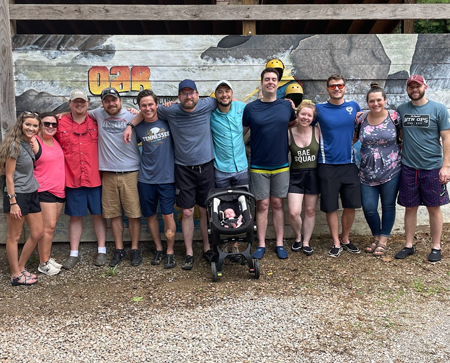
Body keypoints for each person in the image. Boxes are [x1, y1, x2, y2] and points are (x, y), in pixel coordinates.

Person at [395, 75, 450, 262]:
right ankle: (408, 245)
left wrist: (446, 166)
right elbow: (399, 133)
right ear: (407, 89)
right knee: (410, 208)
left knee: (434, 208)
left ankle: (436, 247)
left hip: (433, 167)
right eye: (411, 87)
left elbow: (446, 139)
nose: (414, 90)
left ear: (425, 86)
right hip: (409, 167)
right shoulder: (401, 110)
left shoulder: (439, 109)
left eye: (417, 86)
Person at [243, 67, 297, 260]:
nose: (271, 82)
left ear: (277, 83)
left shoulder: (286, 106)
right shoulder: (251, 108)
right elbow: (243, 134)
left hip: (281, 163)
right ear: (262, 82)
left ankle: (280, 243)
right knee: (262, 204)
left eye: (274, 79)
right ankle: (262, 244)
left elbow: (292, 124)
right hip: (258, 164)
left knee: (277, 203)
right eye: (267, 79)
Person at [90, 87, 142, 267]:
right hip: (108, 173)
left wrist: (134, 118)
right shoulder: (97, 113)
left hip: (131, 172)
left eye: (114, 100)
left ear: (120, 100)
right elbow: (78, 112)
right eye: (107, 101)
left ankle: (135, 249)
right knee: (114, 214)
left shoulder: (132, 115)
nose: (111, 103)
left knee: (134, 214)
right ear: (102, 103)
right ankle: (119, 249)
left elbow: (148, 112)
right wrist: (59, 116)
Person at [56, 89, 107, 269]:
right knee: (75, 217)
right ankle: (74, 253)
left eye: (82, 101)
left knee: (98, 215)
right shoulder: (59, 123)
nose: (79, 104)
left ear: (88, 103)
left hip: (95, 178)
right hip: (72, 179)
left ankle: (102, 251)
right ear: (69, 103)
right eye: (75, 101)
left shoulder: (97, 121)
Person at [315, 74, 362, 257]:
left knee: (350, 205)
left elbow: (362, 128)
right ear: (327, 89)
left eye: (340, 85)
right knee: (330, 206)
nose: (336, 88)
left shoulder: (354, 107)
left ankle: (346, 239)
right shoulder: (319, 109)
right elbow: (303, 122)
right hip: (327, 165)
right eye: (332, 86)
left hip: (350, 164)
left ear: (345, 87)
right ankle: (336, 243)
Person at [355, 83, 402, 257]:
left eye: (379, 100)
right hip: (367, 170)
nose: (376, 104)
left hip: (391, 169)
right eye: (372, 101)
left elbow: (402, 138)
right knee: (368, 207)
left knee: (388, 205)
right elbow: (353, 139)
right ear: (367, 102)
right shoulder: (361, 119)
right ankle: (375, 235)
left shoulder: (394, 117)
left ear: (385, 100)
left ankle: (383, 240)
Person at [132, 89, 177, 269]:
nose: (148, 108)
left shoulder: (168, 121)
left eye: (151, 104)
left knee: (167, 215)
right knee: (150, 215)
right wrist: (130, 124)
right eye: (144, 105)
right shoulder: (138, 126)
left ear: (156, 104)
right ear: (139, 107)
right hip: (146, 178)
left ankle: (170, 251)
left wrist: (172, 104)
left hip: (167, 178)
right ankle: (158, 248)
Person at [0, 112, 43, 286]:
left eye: (35, 125)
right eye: (28, 124)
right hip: (17, 195)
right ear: (21, 125)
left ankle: (21, 267)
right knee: (14, 236)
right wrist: (13, 202)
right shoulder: (14, 146)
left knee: (38, 232)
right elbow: (8, 177)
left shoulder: (28, 143)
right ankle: (15, 275)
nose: (31, 128)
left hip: (32, 191)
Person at [31, 112, 65, 275]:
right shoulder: (34, 141)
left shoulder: (55, 141)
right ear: (39, 125)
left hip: (59, 190)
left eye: (54, 124)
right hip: (44, 189)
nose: (50, 127)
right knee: (48, 227)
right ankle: (43, 263)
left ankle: (47, 257)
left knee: (50, 227)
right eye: (46, 124)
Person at [288, 101, 320, 256]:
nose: (306, 118)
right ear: (297, 114)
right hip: (295, 175)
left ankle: (306, 242)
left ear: (313, 118)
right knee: (294, 212)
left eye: (309, 115)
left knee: (310, 210)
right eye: (303, 114)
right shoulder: (289, 133)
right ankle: (298, 237)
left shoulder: (317, 131)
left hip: (313, 175)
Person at [211, 80, 248, 188]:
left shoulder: (241, 107)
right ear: (216, 95)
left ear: (232, 93)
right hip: (221, 169)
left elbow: (258, 108)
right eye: (220, 92)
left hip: (241, 167)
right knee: (223, 203)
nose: (224, 95)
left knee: (244, 202)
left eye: (227, 91)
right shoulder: (210, 114)